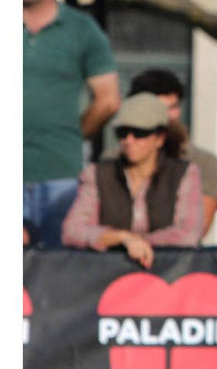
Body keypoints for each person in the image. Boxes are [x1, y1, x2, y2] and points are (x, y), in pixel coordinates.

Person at [23, 0, 121, 248]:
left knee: (60, 266)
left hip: (61, 176)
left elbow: (108, 100)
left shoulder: (81, 30)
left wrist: (70, 133)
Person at [62, 93, 204, 268]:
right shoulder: (97, 173)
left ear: (160, 138)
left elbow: (188, 233)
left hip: (168, 273)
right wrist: (122, 238)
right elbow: (72, 231)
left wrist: (138, 243)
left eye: (139, 133)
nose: (129, 140)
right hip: (107, 274)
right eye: (122, 133)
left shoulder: (185, 173)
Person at [126, 69, 217, 237]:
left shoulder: (203, 162)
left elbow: (197, 228)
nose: (168, 117)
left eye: (173, 107)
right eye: (159, 109)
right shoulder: (114, 161)